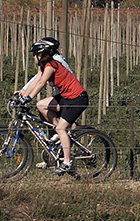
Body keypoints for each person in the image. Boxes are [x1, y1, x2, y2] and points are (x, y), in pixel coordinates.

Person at [14, 36, 89, 176]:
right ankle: (59, 135)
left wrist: (28, 97)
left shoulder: (51, 65)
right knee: (41, 105)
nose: (33, 58)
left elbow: (41, 84)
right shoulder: (45, 66)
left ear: (40, 55)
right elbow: (36, 80)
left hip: (77, 99)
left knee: (61, 128)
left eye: (34, 55)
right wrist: (23, 93)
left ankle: (67, 163)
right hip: (66, 97)